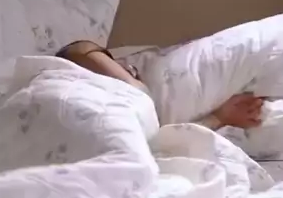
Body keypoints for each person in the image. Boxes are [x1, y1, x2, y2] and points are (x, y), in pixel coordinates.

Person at [56, 40, 265, 130]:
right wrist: (131, 85)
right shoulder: (68, 78)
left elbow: (163, 145)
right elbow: (77, 51)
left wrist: (220, 118)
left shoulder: (144, 116)